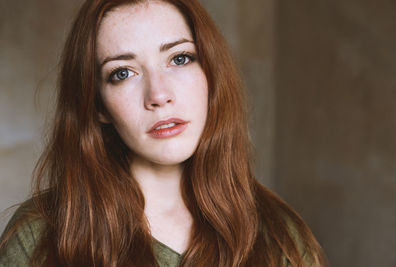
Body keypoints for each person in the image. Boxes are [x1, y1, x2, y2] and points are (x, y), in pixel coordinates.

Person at [0, 0, 327, 266]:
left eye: (180, 58)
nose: (158, 94)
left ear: (210, 73)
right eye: (123, 73)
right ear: (98, 105)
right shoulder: (41, 235)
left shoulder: (281, 236)